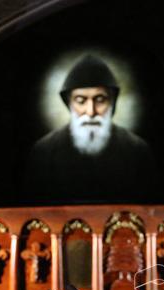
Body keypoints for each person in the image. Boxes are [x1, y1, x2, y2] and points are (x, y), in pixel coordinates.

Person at [24, 54, 157, 201]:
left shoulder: (137, 150)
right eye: (81, 101)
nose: (91, 111)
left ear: (112, 103)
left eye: (100, 100)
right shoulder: (44, 152)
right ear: (69, 104)